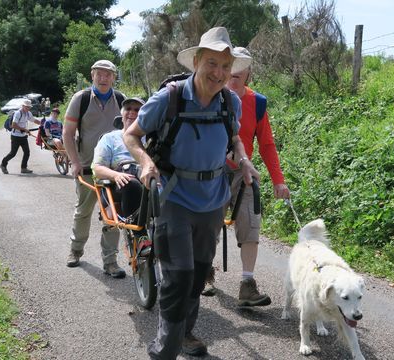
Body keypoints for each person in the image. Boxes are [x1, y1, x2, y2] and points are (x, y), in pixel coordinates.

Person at [124, 27, 259, 359]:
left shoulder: (230, 102)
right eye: (212, 63)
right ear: (196, 61)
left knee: (198, 275)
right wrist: (144, 162)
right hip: (173, 197)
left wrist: (243, 160)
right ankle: (164, 350)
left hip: (213, 200)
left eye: (226, 67)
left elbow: (235, 139)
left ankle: (184, 334)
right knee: (178, 276)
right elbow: (131, 135)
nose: (219, 73)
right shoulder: (167, 99)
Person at [202, 46, 291, 307]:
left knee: (251, 224)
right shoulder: (209, 98)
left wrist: (278, 179)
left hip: (245, 172)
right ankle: (206, 274)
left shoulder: (257, 103)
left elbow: (266, 144)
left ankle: (247, 284)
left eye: (241, 67)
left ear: (249, 73)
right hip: (212, 171)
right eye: (231, 66)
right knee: (209, 226)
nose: (234, 72)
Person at [62, 59, 126, 278]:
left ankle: (110, 262)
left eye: (108, 74)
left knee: (112, 216)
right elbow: (68, 133)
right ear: (92, 75)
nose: (103, 77)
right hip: (87, 168)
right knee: (83, 213)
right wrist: (75, 162)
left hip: (114, 171)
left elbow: (132, 132)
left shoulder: (121, 100)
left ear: (114, 77)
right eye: (99, 73)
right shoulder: (81, 99)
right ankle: (75, 250)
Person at [92, 97, 145, 221]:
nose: (132, 112)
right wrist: (116, 175)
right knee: (130, 180)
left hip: (146, 181)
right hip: (118, 184)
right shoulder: (109, 138)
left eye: (137, 110)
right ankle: (139, 234)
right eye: (128, 109)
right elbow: (97, 168)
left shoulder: (150, 138)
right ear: (122, 115)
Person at [0, 99, 42, 174]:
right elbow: (13, 125)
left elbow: (33, 120)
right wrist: (24, 129)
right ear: (23, 106)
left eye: (29, 107)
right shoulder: (18, 113)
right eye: (26, 107)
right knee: (13, 153)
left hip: (23, 136)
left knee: (27, 152)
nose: (28, 108)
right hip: (15, 136)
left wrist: (42, 124)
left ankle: (23, 168)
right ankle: (3, 164)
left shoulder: (28, 113)